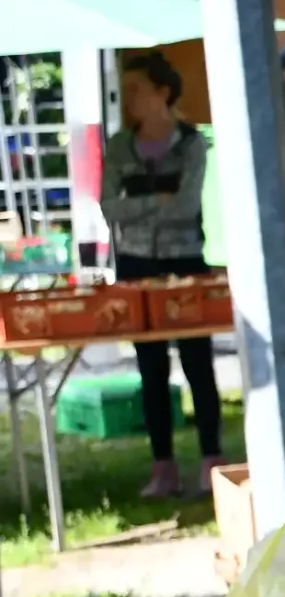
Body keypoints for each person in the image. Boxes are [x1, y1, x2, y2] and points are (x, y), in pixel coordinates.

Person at [101, 51, 224, 497]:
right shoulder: (118, 146)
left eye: (136, 89)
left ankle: (212, 460)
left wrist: (139, 201)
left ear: (162, 92)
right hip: (135, 263)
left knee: (198, 362)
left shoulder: (191, 143)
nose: (128, 99)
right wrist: (160, 199)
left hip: (185, 260)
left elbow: (188, 205)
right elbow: (108, 207)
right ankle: (163, 468)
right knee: (150, 368)